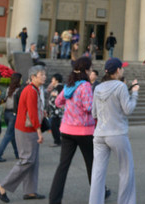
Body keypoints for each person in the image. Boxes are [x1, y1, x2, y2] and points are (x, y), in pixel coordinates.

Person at [49, 56, 98, 204]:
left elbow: (58, 102)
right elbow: (89, 107)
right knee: (92, 164)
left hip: (66, 130)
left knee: (63, 166)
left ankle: (54, 199)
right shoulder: (85, 86)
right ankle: (99, 193)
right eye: (90, 69)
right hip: (83, 131)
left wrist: (70, 108)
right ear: (86, 70)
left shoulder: (70, 84)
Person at [0, 65, 47, 202]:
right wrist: (39, 131)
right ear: (33, 77)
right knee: (27, 160)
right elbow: (32, 112)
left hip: (26, 127)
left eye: (44, 74)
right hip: (26, 129)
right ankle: (2, 186)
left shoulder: (33, 89)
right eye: (41, 74)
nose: (44, 76)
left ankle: (30, 191)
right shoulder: (31, 90)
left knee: (32, 161)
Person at [90, 57, 139, 204]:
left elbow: (93, 113)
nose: (122, 70)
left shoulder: (98, 88)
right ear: (118, 70)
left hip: (99, 134)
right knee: (126, 170)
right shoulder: (120, 86)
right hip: (117, 132)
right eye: (122, 68)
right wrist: (135, 93)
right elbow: (128, 109)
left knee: (97, 172)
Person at [0, 72, 22, 162]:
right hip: (14, 114)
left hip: (6, 113)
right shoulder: (19, 90)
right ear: (18, 80)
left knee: (12, 135)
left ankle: (17, 153)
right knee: (8, 135)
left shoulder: (9, 89)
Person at [46, 73, 64, 147]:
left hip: (57, 111)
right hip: (55, 111)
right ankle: (58, 140)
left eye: (53, 79)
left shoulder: (60, 87)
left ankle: (57, 141)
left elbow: (61, 97)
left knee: (54, 126)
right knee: (55, 126)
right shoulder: (56, 87)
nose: (51, 81)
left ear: (56, 80)